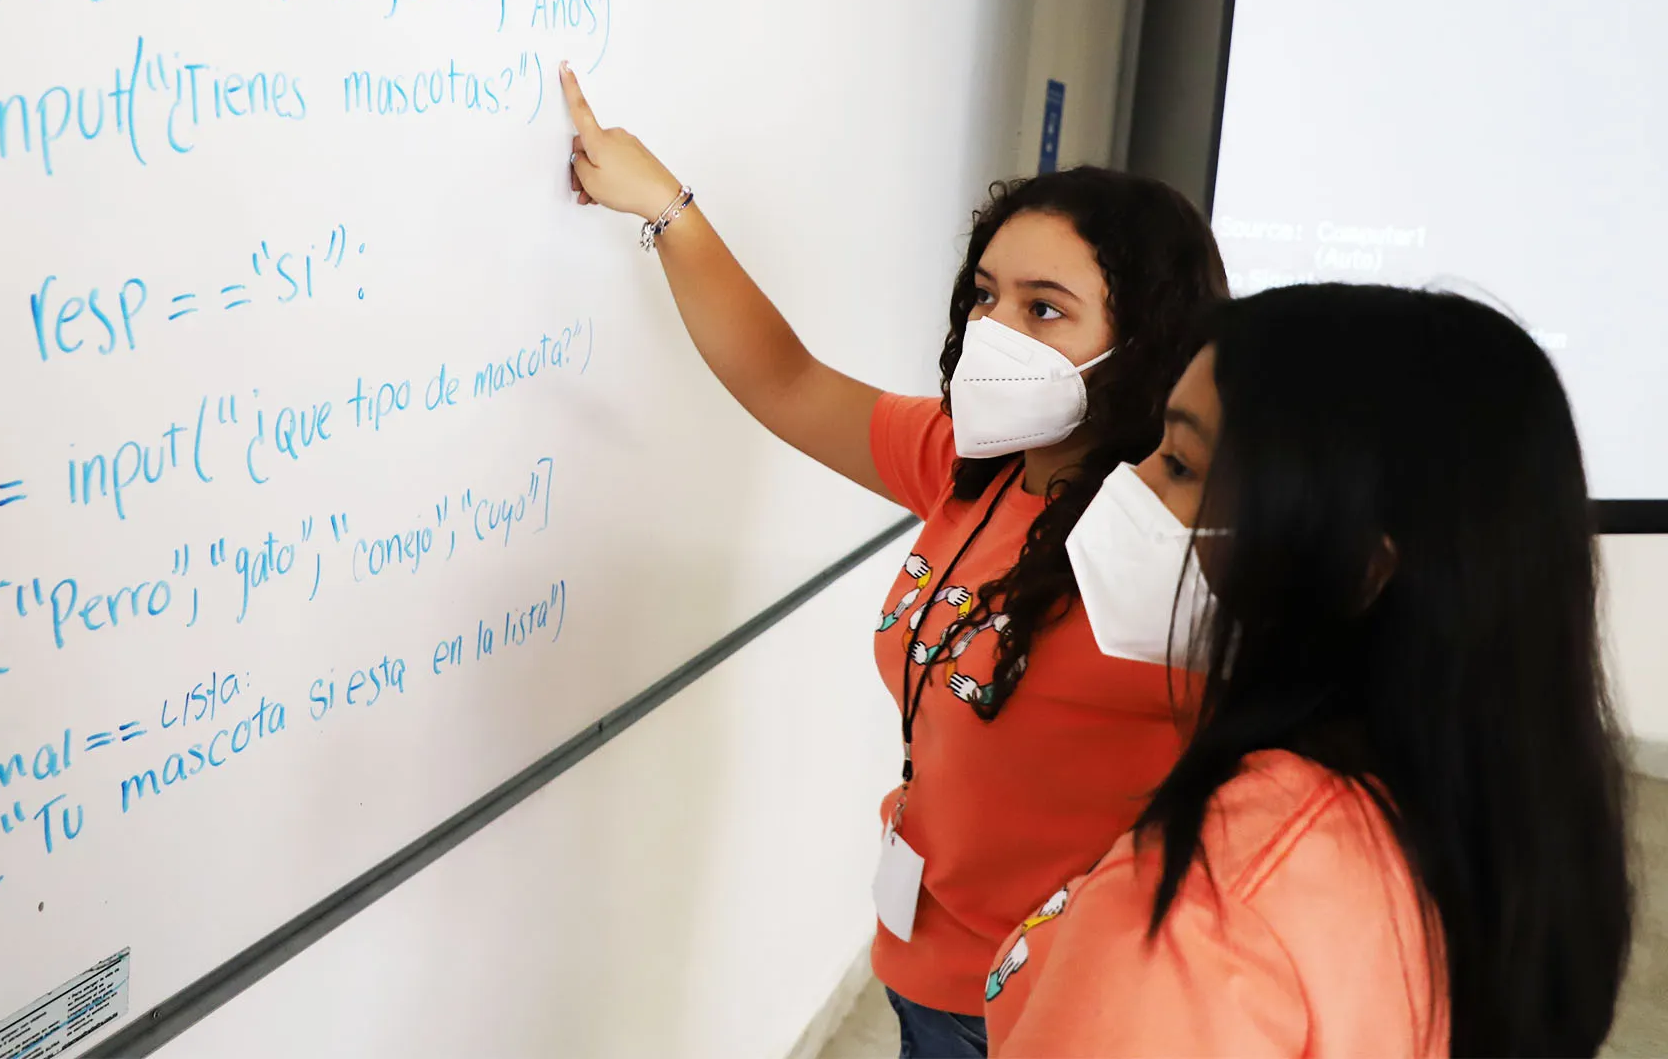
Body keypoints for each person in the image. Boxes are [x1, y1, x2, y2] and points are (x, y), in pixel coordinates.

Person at [556, 66, 1229, 1053]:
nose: (993, 330)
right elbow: (786, 381)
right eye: (985, 295)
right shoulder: (973, 468)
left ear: (1145, 340)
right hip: (922, 963)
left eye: (1045, 309)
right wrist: (667, 209)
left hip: (1057, 1012)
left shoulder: (1174, 545)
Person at [982, 283, 1634, 1056]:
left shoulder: (1200, 910)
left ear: (1359, 569)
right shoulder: (1513, 822)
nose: (1131, 485)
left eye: (1182, 465)